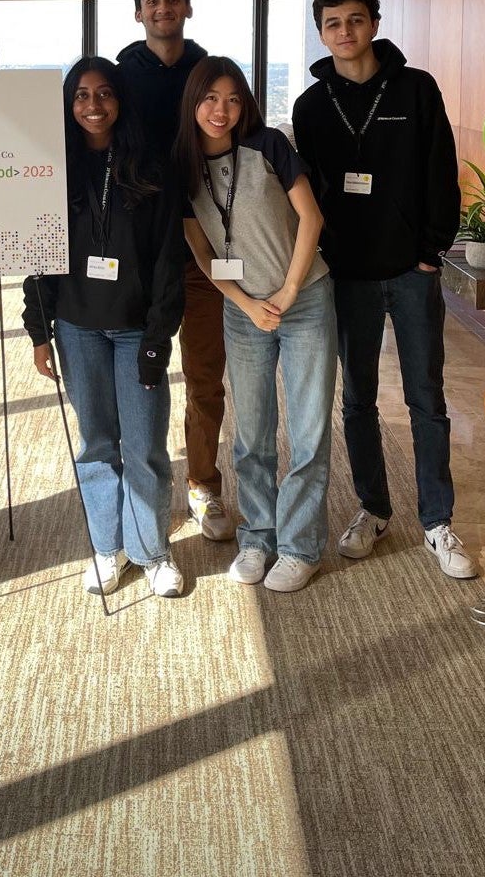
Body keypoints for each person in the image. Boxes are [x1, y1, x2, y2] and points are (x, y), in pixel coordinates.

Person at [291, 0, 477, 578]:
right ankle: (373, 508)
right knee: (357, 399)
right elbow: (309, 193)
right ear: (321, 33)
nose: (344, 32)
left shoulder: (416, 89)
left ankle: (438, 521)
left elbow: (440, 170)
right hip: (347, 275)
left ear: (374, 23)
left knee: (426, 395)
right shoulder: (310, 106)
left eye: (354, 20)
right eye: (332, 23)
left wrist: (432, 251)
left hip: (409, 270)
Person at [23, 57, 186, 598]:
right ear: (67, 105)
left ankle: (152, 551)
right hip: (76, 326)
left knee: (143, 445)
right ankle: (106, 547)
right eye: (81, 96)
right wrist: (38, 330)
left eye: (105, 94)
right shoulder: (50, 166)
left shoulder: (150, 164)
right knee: (96, 443)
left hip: (137, 326)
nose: (94, 106)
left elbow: (167, 258)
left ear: (121, 100)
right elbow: (36, 254)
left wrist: (160, 336)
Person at [178, 56, 335, 592]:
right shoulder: (185, 165)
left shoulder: (269, 146)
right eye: (209, 99)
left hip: (305, 298)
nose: (220, 110)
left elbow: (311, 218)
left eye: (232, 99)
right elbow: (200, 250)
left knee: (310, 429)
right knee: (252, 433)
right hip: (242, 309)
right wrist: (245, 303)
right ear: (193, 104)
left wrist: (288, 292)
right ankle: (258, 537)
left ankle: (300, 546)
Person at [116, 0, 232, 544]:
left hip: (203, 243)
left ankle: (203, 484)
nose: (163, 8)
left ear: (188, 8)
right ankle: (142, 488)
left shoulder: (208, 72)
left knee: (206, 374)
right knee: (142, 372)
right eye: (151, 1)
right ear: (138, 12)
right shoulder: (119, 74)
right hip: (140, 249)